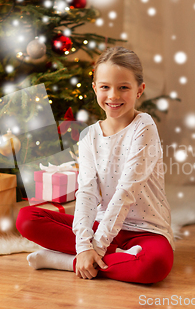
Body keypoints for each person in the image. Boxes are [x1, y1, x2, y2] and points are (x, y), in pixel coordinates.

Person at [16, 46, 175, 284]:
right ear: (95, 88)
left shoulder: (144, 126)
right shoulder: (89, 136)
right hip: (100, 224)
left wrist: (96, 248)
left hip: (146, 230)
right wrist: (83, 245)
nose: (113, 96)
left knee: (154, 266)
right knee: (27, 218)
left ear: (140, 90)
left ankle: (66, 262)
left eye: (124, 87)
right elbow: (87, 192)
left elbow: (126, 191)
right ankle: (107, 259)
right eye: (105, 87)